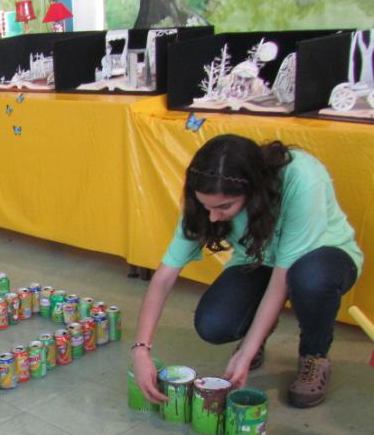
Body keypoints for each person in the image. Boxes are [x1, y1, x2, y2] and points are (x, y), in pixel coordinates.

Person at [132, 135, 362, 408]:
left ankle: (314, 354)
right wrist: (141, 350)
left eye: (223, 207)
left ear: (255, 191)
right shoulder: (209, 195)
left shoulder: (302, 178)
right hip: (260, 260)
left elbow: (282, 279)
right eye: (206, 207)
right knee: (214, 324)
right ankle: (259, 331)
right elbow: (164, 276)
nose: (213, 217)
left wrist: (245, 354)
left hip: (323, 257)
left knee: (309, 279)